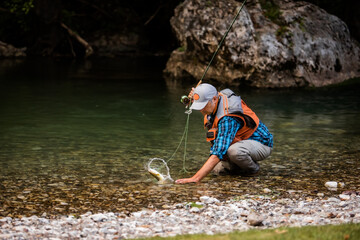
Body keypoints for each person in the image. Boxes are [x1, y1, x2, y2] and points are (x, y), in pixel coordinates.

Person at [175, 83, 273, 184]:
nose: (201, 109)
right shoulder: (216, 98)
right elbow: (208, 92)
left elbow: (218, 152)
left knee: (235, 151)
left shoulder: (228, 117)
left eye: (203, 105)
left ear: (214, 99)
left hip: (261, 143)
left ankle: (254, 170)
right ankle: (240, 170)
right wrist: (196, 96)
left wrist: (195, 178)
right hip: (240, 141)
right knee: (218, 170)